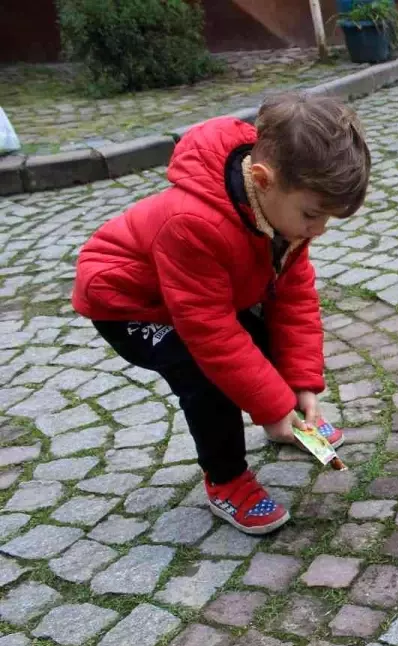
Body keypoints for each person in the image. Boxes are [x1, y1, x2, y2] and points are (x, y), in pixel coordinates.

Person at [72, 93, 371, 535]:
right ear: (263, 180)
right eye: (312, 215)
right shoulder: (193, 224)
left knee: (263, 337)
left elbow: (293, 300)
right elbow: (212, 336)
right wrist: (270, 404)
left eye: (328, 219)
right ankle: (227, 480)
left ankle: (290, 422)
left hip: (199, 293)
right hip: (129, 303)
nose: (319, 230)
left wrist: (300, 385)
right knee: (206, 375)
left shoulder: (283, 214)